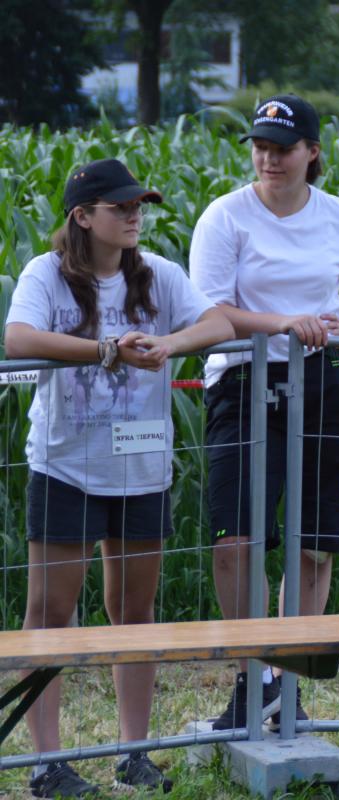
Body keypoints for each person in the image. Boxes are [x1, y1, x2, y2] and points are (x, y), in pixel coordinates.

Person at [4, 158, 234, 797]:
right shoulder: (45, 274)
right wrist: (107, 350)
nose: (135, 216)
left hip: (142, 470)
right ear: (82, 216)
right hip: (65, 469)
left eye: (140, 206)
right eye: (121, 207)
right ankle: (46, 765)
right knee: (51, 614)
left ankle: (135, 753)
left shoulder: (158, 273)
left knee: (134, 612)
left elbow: (219, 323)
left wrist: (171, 345)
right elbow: (19, 338)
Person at [189, 93, 339, 730]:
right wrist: (283, 322)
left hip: (325, 382)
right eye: (260, 146)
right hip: (242, 381)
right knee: (237, 540)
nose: (269, 159)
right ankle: (251, 677)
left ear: (312, 152)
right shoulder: (225, 216)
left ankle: (290, 684)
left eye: (282, 148)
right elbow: (207, 311)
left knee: (314, 547)